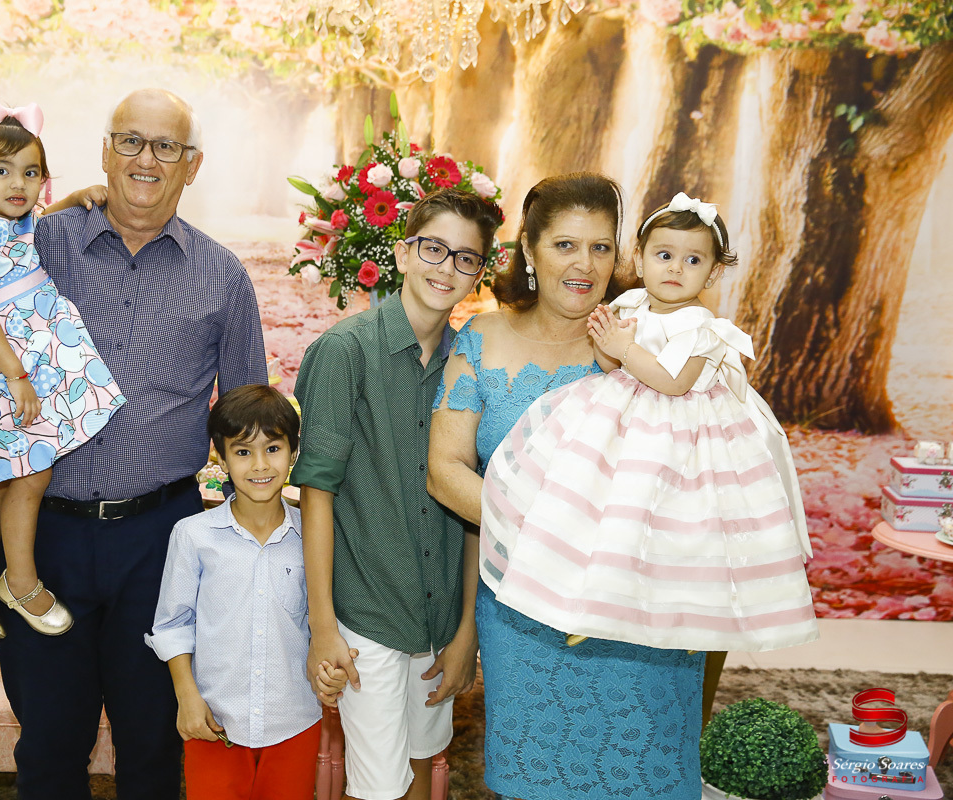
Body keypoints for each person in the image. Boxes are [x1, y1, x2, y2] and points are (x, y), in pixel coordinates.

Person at [0, 88, 268, 800]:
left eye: (167, 146)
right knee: (49, 745)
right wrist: (54, 207)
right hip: (41, 536)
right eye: (131, 141)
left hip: (163, 543)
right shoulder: (43, 245)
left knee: (153, 746)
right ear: (106, 154)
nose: (147, 159)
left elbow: (248, 422)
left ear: (192, 165)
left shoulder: (223, 277)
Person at [427, 174, 706, 800]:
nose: (585, 264)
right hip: (523, 610)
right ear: (529, 249)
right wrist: (547, 536)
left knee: (644, 776)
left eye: (601, 247)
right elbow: (444, 470)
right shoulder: (482, 338)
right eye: (565, 246)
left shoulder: (655, 342)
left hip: (638, 614)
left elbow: (702, 466)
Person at [483, 192, 818, 652]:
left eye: (693, 260)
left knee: (687, 527)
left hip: (685, 436)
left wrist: (624, 348)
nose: (676, 268)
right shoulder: (632, 305)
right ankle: (593, 603)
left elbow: (674, 382)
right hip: (624, 418)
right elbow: (609, 366)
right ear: (640, 260)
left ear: (713, 273)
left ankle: (695, 618)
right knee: (609, 508)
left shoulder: (702, 328)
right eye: (664, 256)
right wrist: (608, 343)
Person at [293, 187, 503, 800]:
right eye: (434, 248)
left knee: (421, 764)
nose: (447, 267)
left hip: (440, 614)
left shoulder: (471, 363)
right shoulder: (344, 351)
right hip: (367, 609)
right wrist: (323, 626)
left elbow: (477, 506)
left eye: (465, 257)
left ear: (478, 275)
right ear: (403, 252)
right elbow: (316, 493)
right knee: (377, 786)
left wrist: (465, 630)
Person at [0, 97, 126, 640]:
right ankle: (16, 580)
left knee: (12, 476)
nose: (19, 183)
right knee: (22, 474)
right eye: (2, 170)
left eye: (31, 172)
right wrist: (16, 375)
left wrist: (72, 198)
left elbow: (40, 219)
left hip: (25, 362)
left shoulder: (16, 223)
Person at [148, 384, 348, 800]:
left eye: (273, 448)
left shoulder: (314, 537)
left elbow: (325, 622)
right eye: (242, 452)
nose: (260, 465)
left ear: (294, 453)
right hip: (214, 722)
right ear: (220, 458)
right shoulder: (193, 535)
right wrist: (187, 697)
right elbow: (172, 625)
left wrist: (332, 670)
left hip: (294, 720)